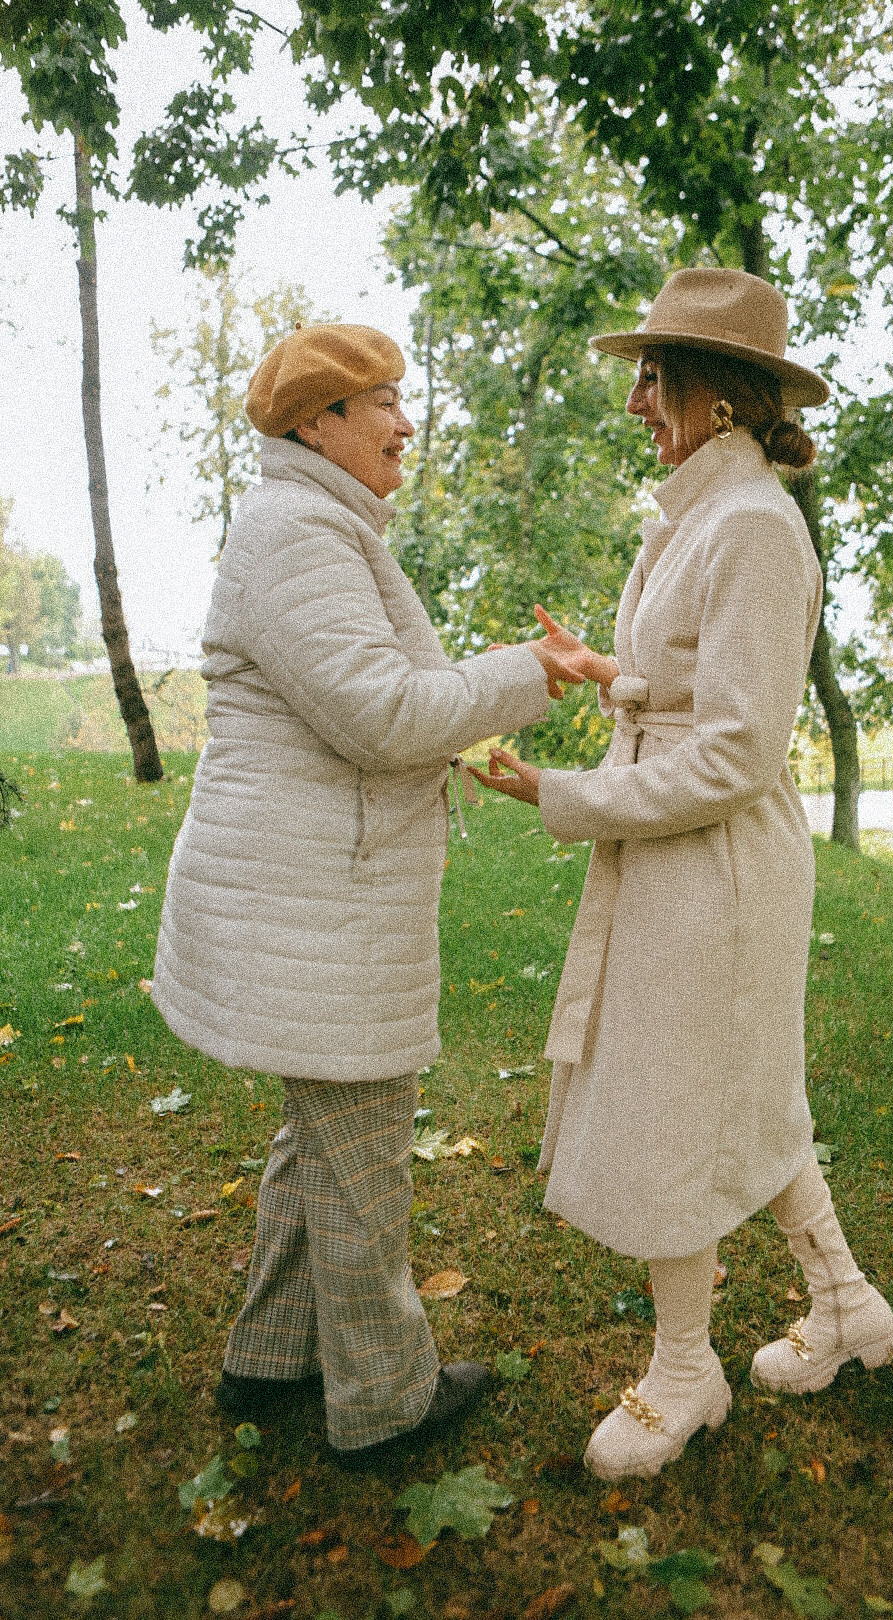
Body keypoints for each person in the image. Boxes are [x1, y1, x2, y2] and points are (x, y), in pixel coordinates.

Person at [472, 268, 893, 1482]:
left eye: (654, 375)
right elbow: (691, 687)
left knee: (677, 1102)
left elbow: (734, 751)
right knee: (747, 1094)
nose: (636, 401)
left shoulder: (757, 528)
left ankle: (683, 1373)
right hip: (682, 862)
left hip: (717, 868)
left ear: (720, 396)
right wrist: (608, 673)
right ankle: (850, 1309)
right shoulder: (705, 517)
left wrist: (560, 795)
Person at [152, 322, 577, 1466]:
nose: (404, 420)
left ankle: (268, 1355)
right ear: (315, 425)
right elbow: (384, 718)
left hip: (313, 904)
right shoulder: (296, 533)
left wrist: (494, 681)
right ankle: (385, 1401)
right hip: (313, 912)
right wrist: (531, 673)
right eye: (379, 401)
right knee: (361, 1156)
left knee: (325, 1137)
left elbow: (381, 695)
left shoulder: (312, 525)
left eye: (401, 394)